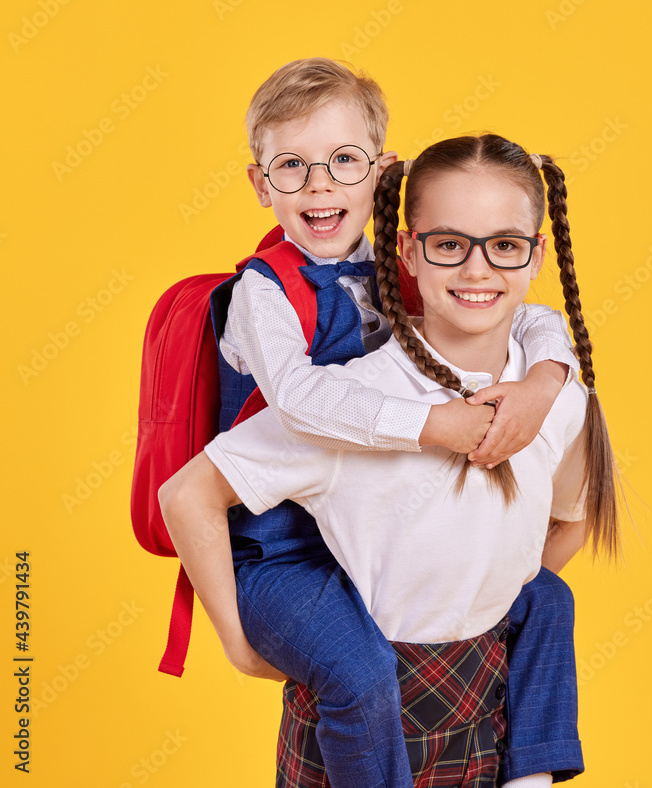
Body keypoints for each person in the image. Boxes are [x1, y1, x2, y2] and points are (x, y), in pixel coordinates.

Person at [167, 58, 583, 787]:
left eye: (344, 161)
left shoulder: (391, 269)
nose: (320, 184)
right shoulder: (263, 295)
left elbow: (531, 309)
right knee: (361, 672)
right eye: (292, 166)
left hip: (352, 544)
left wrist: (546, 380)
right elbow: (302, 400)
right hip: (281, 553)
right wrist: (435, 426)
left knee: (545, 596)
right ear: (261, 186)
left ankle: (532, 772)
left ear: (382, 174)